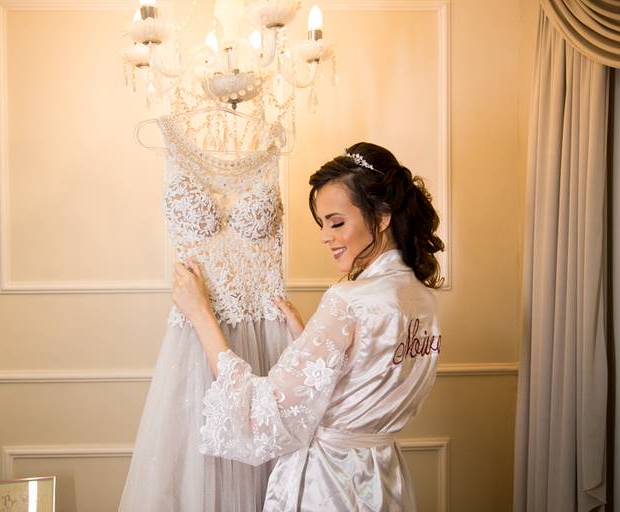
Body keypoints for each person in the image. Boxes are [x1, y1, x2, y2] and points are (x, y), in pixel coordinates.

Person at [171, 142, 445, 511]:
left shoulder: (349, 300)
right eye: (323, 224)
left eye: (337, 222)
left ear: (381, 217)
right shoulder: (423, 300)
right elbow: (367, 381)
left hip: (330, 486)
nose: (324, 236)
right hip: (383, 480)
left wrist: (201, 314)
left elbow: (261, 417)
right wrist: (310, 340)